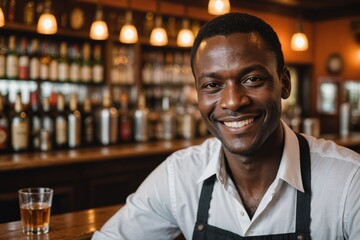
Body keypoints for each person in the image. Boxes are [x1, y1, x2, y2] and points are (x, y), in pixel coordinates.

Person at [92, 13, 360, 239]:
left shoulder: (349, 182)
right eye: (212, 85)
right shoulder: (180, 175)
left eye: (252, 79)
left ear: (284, 84)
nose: (233, 102)